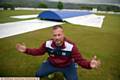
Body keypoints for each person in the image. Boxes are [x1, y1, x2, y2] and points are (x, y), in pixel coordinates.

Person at [16, 25, 101, 80]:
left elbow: (80, 60)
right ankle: (50, 69)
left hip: (67, 65)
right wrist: (26, 50)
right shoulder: (47, 43)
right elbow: (38, 51)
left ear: (63, 35)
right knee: (38, 74)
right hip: (52, 64)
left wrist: (89, 64)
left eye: (59, 35)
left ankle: (67, 72)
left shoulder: (71, 46)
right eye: (54, 35)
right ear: (52, 36)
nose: (57, 38)